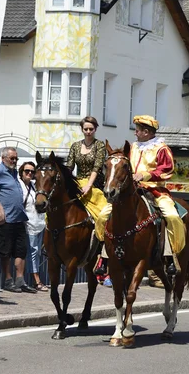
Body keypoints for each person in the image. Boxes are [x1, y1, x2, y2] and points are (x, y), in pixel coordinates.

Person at [128, 115, 184, 275]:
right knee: (106, 214)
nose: (135, 133)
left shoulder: (161, 148)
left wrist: (145, 175)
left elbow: (167, 169)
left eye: (137, 130)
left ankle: (173, 255)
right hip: (132, 190)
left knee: (172, 217)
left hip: (155, 190)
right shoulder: (133, 147)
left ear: (146, 132)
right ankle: (104, 258)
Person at [0, 147, 37, 293]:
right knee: (5, 251)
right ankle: (8, 280)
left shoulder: (14, 173)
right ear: (3, 158)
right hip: (5, 219)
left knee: (21, 251)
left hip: (19, 219)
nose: (14, 161)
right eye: (12, 158)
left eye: (16, 159)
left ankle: (20, 280)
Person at [65, 116, 111, 279]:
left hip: (95, 187)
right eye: (86, 129)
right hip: (78, 184)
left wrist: (89, 186)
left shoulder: (99, 146)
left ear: (95, 129)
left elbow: (97, 167)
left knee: (104, 218)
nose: (88, 131)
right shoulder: (75, 146)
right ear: (82, 130)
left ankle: (105, 256)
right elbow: (69, 167)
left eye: (91, 129)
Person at [19, 161, 48, 292]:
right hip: (28, 223)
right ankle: (36, 280)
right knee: (33, 252)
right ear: (21, 172)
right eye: (27, 171)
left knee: (37, 252)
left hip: (40, 223)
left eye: (32, 171)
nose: (30, 173)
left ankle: (33, 278)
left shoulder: (35, 185)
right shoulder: (19, 186)